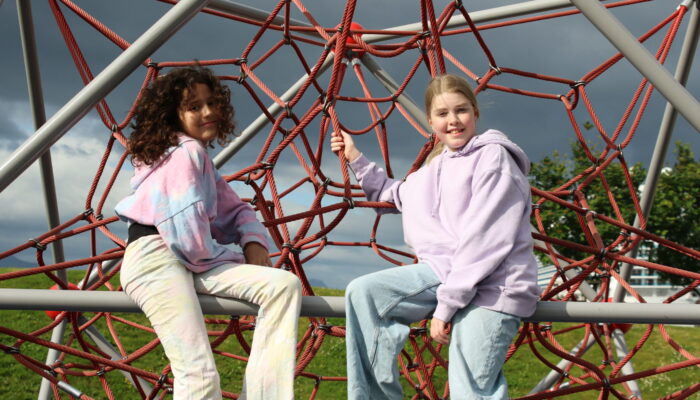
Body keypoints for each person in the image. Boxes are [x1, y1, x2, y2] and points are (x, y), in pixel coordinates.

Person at [330, 73, 539, 400]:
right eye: (443, 114)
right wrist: (355, 157)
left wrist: (446, 306)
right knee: (365, 292)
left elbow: (486, 240)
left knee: (470, 390)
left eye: (461, 110)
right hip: (446, 274)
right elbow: (393, 194)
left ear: (475, 113)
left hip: (494, 284)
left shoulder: (493, 158)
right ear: (431, 122)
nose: (453, 120)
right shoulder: (434, 168)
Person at [115, 66, 301, 400]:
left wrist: (253, 241)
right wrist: (237, 256)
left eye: (212, 103)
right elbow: (189, 238)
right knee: (198, 376)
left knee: (283, 286)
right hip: (157, 259)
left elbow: (236, 210)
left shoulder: (195, 158)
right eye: (194, 106)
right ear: (172, 115)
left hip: (185, 260)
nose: (208, 112)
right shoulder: (184, 153)